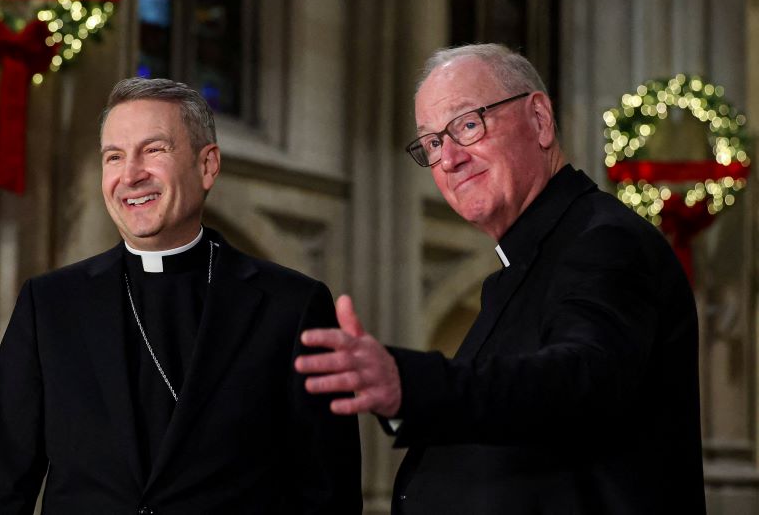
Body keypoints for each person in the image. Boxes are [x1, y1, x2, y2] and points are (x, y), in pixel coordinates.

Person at [295, 44, 705, 513]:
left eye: (467, 125)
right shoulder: (526, 262)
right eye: (431, 143)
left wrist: (410, 384)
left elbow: (582, 378)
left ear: (539, 120)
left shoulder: (604, 240)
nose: (448, 159)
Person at [0, 78, 362, 514]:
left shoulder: (291, 307)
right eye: (114, 157)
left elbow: (328, 495)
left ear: (207, 165)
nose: (131, 175)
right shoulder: (51, 306)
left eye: (153, 150)